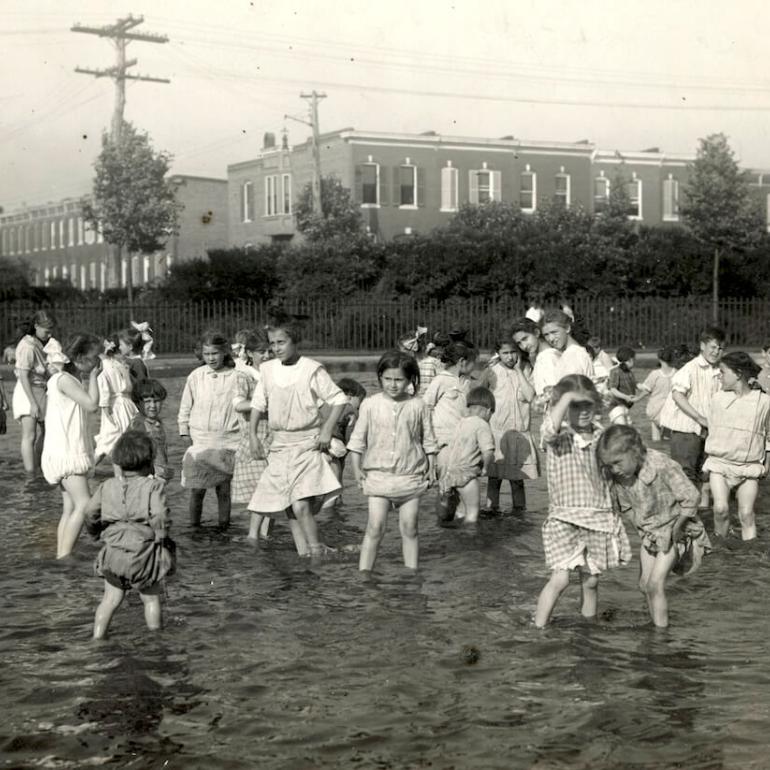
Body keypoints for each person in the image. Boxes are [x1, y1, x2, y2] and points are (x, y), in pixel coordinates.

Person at [534, 375, 631, 628]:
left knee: (591, 580)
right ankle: (538, 628)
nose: (584, 412)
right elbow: (548, 429)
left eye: (588, 405)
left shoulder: (602, 436)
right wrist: (565, 397)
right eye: (577, 407)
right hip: (565, 517)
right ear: (565, 409)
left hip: (599, 516)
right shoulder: (560, 436)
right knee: (561, 579)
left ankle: (589, 628)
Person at [247, 319, 347, 556]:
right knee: (289, 505)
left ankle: (316, 550)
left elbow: (339, 399)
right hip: (279, 446)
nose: (276, 348)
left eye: (282, 342)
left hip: (306, 444)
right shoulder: (268, 369)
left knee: (301, 503)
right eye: (272, 344)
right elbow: (258, 403)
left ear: (295, 341)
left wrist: (326, 430)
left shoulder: (312, 369)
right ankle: (305, 553)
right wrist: (252, 435)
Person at [597, 425, 710, 628]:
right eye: (609, 465)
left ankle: (661, 634)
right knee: (643, 585)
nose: (614, 469)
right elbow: (626, 508)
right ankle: (654, 620)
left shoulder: (661, 464)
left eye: (617, 463)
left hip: (675, 529)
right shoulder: (619, 476)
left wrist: (678, 528)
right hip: (650, 534)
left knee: (654, 584)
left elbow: (691, 497)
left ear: (635, 452)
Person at [348, 351, 437, 570]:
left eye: (399, 380)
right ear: (380, 377)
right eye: (387, 379)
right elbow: (357, 440)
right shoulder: (370, 404)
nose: (393, 385)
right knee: (375, 527)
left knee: (410, 528)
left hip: (410, 476)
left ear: (410, 380)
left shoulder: (418, 405)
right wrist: (356, 468)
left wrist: (433, 467)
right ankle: (364, 573)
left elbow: (430, 441)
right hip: (378, 476)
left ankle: (411, 573)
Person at [85, 431, 175, 640]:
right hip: (143, 554)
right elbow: (160, 514)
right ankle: (155, 642)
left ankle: (97, 639)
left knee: (109, 600)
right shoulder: (153, 486)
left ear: (119, 462)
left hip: (113, 554)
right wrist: (162, 536)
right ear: (149, 463)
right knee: (151, 600)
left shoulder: (107, 486)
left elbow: (89, 512)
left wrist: (95, 533)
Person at [41, 334, 101, 558]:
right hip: (67, 453)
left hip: (63, 450)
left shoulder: (68, 379)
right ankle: (64, 557)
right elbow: (92, 405)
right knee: (85, 504)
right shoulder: (64, 380)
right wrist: (95, 376)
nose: (97, 361)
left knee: (69, 508)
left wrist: (90, 377)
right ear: (78, 358)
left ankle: (61, 554)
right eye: (94, 358)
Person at [703, 352, 770, 541]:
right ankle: (720, 554)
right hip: (720, 464)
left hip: (749, 466)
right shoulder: (717, 399)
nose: (719, 376)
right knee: (720, 509)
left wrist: (768, 463)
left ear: (738, 373)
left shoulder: (764, 402)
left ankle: (748, 560)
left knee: (747, 514)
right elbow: (713, 432)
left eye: (723, 372)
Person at [178, 330, 240, 529]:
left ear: (224, 352)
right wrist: (184, 431)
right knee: (197, 489)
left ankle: (224, 526)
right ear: (201, 355)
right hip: (200, 440)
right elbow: (186, 406)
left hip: (227, 440)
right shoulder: (196, 376)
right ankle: (194, 527)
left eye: (215, 353)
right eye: (207, 354)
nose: (211, 358)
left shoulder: (236, 376)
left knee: (223, 489)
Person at [659, 326, 724, 507]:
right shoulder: (690, 368)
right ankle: (684, 520)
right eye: (713, 347)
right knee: (684, 476)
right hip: (686, 429)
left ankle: (700, 518)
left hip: (708, 431)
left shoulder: (720, 370)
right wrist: (699, 418)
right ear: (702, 346)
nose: (716, 352)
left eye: (720, 348)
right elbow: (677, 395)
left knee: (704, 474)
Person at [479, 336, 538, 514]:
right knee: (494, 478)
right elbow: (478, 395)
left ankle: (519, 514)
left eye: (513, 352)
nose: (510, 357)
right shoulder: (491, 371)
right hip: (497, 433)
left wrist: (519, 371)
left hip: (520, 434)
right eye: (505, 353)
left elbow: (529, 396)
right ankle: (491, 511)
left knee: (517, 480)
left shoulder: (527, 369)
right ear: (499, 353)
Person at [229, 332, 274, 540]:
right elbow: (238, 404)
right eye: (261, 352)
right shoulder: (244, 376)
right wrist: (262, 404)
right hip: (254, 438)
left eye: (269, 351)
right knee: (262, 491)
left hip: (275, 438)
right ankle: (253, 535)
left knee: (274, 490)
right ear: (249, 353)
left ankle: (264, 534)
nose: (266, 355)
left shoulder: (275, 373)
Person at [436, 386, 495, 528]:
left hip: (450, 475)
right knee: (472, 515)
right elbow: (488, 451)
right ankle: (470, 543)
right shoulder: (482, 425)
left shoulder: (461, 423)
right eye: (492, 413)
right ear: (488, 410)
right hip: (467, 476)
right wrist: (486, 467)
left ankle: (453, 540)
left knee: (459, 512)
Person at [423, 340, 478, 480]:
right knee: (445, 483)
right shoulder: (441, 380)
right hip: (443, 441)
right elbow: (426, 407)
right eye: (473, 362)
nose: (475, 366)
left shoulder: (467, 381)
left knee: (462, 480)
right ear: (462, 361)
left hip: (462, 440)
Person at [12, 310, 55, 474]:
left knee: (47, 431)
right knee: (29, 435)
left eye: (51, 330)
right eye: (47, 330)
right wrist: (33, 403)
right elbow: (23, 376)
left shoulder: (38, 343)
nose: (49, 334)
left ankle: (38, 466)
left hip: (40, 390)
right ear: (36, 326)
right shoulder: (28, 346)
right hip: (27, 392)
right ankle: (31, 472)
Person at [94, 332, 140, 467]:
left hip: (115, 407)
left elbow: (104, 390)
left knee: (109, 440)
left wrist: (105, 409)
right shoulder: (116, 364)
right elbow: (127, 387)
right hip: (123, 405)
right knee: (119, 440)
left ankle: (89, 470)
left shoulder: (105, 366)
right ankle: (123, 472)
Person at [320, 377, 367, 511]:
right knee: (335, 488)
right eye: (360, 400)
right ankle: (331, 516)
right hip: (333, 451)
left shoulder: (324, 404)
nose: (360, 405)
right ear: (350, 396)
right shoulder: (350, 410)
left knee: (321, 488)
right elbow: (351, 439)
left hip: (316, 449)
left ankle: (325, 515)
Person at [510, 317, 560, 410]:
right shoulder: (541, 358)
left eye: (525, 339)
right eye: (519, 343)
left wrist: (537, 403)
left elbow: (555, 393)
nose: (524, 346)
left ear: (536, 333)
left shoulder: (547, 357)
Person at [129, 378, 172, 481]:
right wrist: (150, 475)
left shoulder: (157, 422)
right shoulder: (139, 424)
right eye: (147, 402)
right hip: (147, 477)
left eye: (156, 401)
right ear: (138, 403)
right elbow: (135, 455)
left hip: (159, 472)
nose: (153, 406)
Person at [541, 309, 595, 380]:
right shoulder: (570, 354)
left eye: (554, 332)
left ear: (567, 328)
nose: (551, 338)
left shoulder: (573, 356)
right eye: (546, 335)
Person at [639, 346, 677, 441]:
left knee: (655, 437)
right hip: (670, 410)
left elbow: (646, 389)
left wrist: (637, 390)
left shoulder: (655, 374)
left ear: (660, 359)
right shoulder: (676, 373)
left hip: (655, 410)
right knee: (668, 437)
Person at [606, 346, 643, 425]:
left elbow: (636, 384)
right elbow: (613, 390)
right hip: (616, 407)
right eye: (634, 359)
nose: (635, 361)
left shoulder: (629, 372)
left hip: (625, 407)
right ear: (629, 360)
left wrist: (646, 387)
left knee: (627, 430)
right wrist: (625, 397)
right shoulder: (615, 371)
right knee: (623, 430)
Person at [398, 326, 437, 395]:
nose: (401, 354)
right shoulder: (407, 364)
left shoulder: (434, 363)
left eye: (404, 350)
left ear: (413, 348)